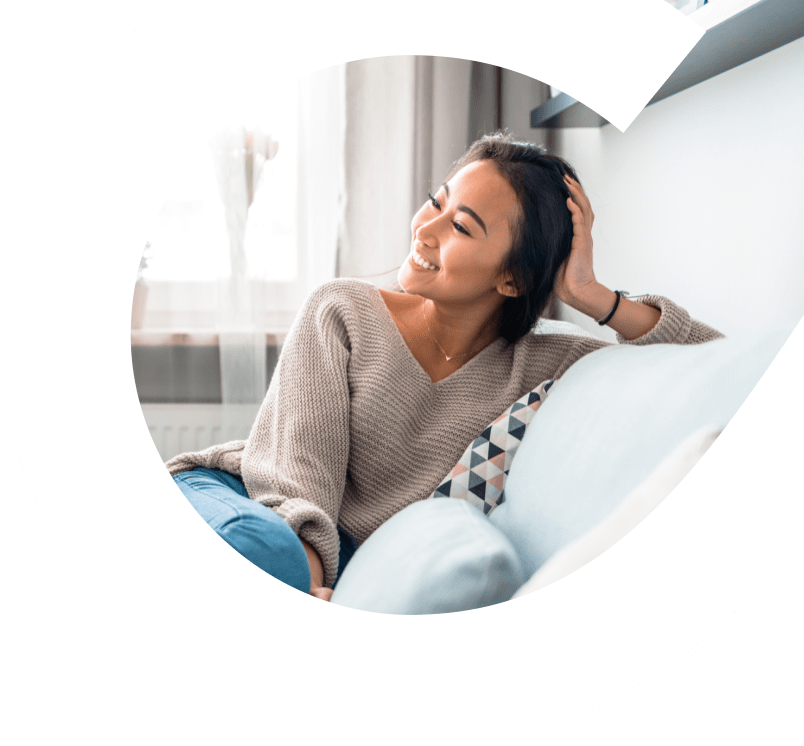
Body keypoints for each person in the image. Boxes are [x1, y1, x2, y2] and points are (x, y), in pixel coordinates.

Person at [167, 132, 722, 602]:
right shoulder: (342, 310)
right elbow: (296, 474)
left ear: (513, 280)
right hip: (252, 503)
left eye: (461, 227)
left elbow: (717, 367)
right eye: (436, 202)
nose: (425, 231)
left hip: (320, 559)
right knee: (268, 554)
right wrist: (311, 578)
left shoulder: (551, 364)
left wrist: (592, 294)